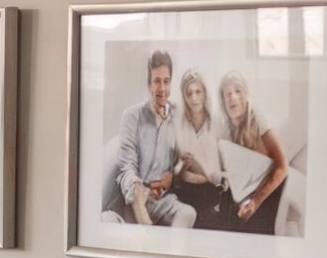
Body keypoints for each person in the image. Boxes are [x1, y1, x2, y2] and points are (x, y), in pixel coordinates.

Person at [110, 49, 195, 228]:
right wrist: (138, 195)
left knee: (188, 213)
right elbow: (126, 167)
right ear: (149, 84)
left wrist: (172, 177)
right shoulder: (131, 116)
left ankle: (166, 245)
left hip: (163, 201)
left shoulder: (177, 118)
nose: (162, 89)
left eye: (166, 81)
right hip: (135, 200)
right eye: (157, 81)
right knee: (107, 219)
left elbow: (180, 163)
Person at [217, 70, 289, 234]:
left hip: (271, 186)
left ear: (246, 95)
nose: (233, 97)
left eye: (237, 91)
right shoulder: (227, 129)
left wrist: (255, 202)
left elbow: (282, 166)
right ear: (223, 102)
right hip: (247, 188)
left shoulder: (258, 120)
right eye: (228, 94)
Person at [171, 69, 227, 228]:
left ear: (204, 93)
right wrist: (183, 170)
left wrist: (213, 178)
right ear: (184, 97)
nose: (194, 98)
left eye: (198, 92)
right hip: (187, 189)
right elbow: (178, 169)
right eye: (189, 93)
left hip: (214, 189)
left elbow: (226, 166)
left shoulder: (217, 122)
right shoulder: (179, 124)